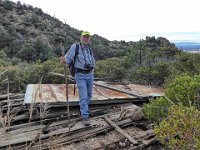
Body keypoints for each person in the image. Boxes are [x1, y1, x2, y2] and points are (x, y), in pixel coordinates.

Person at [61, 31, 95, 126]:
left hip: (90, 75)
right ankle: (85, 116)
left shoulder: (89, 50)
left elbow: (93, 63)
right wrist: (64, 61)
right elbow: (67, 60)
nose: (86, 38)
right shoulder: (75, 47)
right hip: (80, 75)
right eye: (84, 37)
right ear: (81, 37)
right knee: (83, 97)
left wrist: (92, 73)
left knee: (89, 95)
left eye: (87, 37)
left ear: (89, 39)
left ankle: (84, 110)